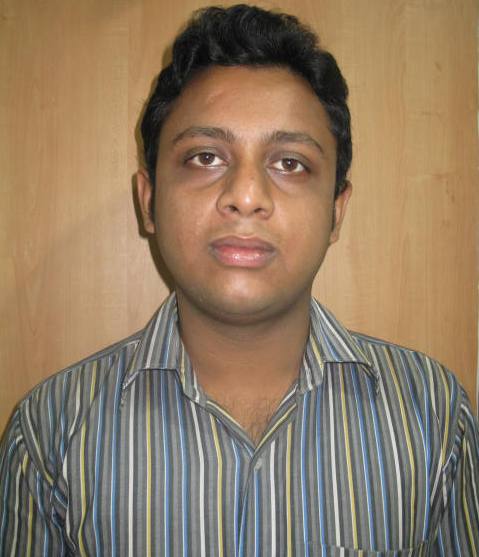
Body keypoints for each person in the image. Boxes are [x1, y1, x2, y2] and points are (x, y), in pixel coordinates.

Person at [1, 4, 478, 555]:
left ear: (336, 211)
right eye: (205, 157)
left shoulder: (434, 417)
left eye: (290, 163)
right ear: (149, 201)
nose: (246, 196)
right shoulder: (51, 434)